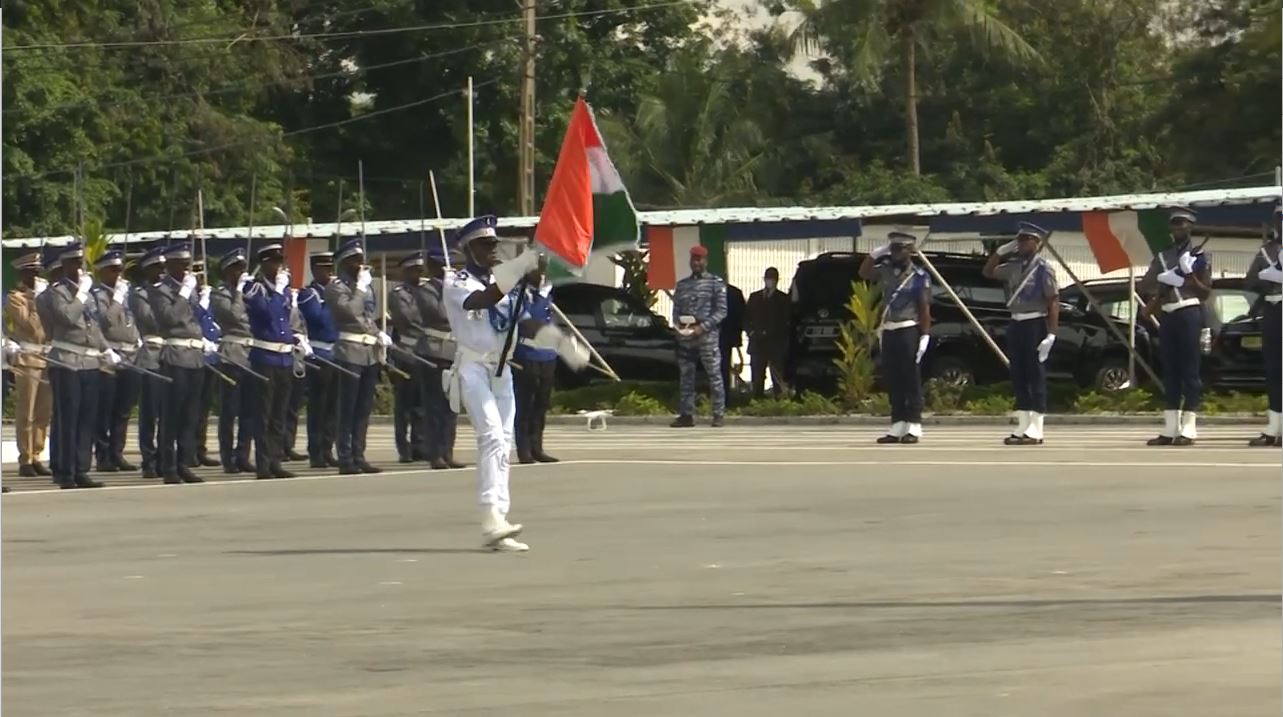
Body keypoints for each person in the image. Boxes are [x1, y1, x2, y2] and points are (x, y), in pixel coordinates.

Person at [441, 216, 588, 551]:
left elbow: (526, 323)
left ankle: (500, 519)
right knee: (491, 434)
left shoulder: (505, 284)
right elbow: (482, 301)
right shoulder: (456, 281)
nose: (492, 250)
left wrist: (560, 342)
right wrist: (521, 265)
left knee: (503, 441)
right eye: (484, 245)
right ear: (468, 249)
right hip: (473, 368)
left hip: (501, 370)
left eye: (494, 244)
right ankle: (490, 516)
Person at [35, 242, 114, 489]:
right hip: (66, 360)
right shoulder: (55, 293)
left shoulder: (85, 292)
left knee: (86, 418)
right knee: (68, 417)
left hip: (89, 361)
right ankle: (66, 472)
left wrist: (105, 348)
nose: (79, 267)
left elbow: (93, 324)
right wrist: (81, 294)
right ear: (64, 265)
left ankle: (81, 469)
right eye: (74, 263)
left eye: (80, 263)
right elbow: (68, 318)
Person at [1139, 208, 1211, 446]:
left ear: (1191, 227)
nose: (1178, 229)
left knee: (1189, 370)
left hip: (1189, 312)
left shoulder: (1199, 256)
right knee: (1170, 371)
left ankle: (1189, 427)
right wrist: (1163, 280)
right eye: (1175, 225)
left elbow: (1205, 292)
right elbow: (1146, 284)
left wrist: (1188, 276)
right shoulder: (1163, 256)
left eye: (1183, 225)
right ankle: (1170, 428)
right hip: (1168, 315)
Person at [983, 222, 1060, 445]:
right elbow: (988, 272)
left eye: (1028, 240)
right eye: (1020, 239)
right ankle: (1023, 424)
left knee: (1035, 375)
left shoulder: (1044, 268)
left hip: (1035, 323)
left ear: (1038, 243)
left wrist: (1051, 334)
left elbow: (1053, 300)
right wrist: (1000, 252)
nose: (1024, 243)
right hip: (1016, 324)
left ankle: (1036, 428)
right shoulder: (1014, 265)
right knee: (1019, 374)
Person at [149, 242, 211, 484]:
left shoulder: (191, 289)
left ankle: (185, 462)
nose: (186, 270)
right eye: (182, 265)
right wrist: (184, 293)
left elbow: (196, 319)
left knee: (190, 414)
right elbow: (170, 319)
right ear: (170, 265)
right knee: (171, 414)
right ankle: (168, 466)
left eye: (187, 265)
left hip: (195, 356)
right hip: (175, 356)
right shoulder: (160, 290)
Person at [861, 232, 932, 443]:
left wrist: (925, 336)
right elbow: (864, 272)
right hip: (889, 329)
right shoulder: (886, 271)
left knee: (910, 379)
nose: (895, 253)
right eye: (892, 248)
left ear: (910, 251)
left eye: (900, 249)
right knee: (894, 378)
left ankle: (914, 425)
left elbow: (924, 309)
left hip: (908, 329)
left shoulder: (919, 276)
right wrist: (876, 253)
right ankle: (898, 424)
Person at [244, 243, 304, 479]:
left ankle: (276, 460)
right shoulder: (254, 288)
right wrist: (279, 292)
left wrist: (296, 337)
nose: (279, 267)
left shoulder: (285, 291)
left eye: (280, 262)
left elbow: (285, 321)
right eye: (274, 262)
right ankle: (262, 464)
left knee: (280, 413)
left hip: (284, 359)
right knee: (264, 414)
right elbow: (268, 314)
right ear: (264, 264)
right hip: (265, 357)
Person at [326, 239, 385, 475]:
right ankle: (345, 457)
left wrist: (378, 334)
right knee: (347, 408)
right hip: (349, 351)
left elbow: (368, 316)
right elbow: (349, 311)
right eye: (356, 260)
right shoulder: (336, 287)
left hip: (368, 352)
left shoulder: (365, 286)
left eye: (361, 260)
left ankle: (359, 454)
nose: (361, 265)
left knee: (363, 409)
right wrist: (360, 289)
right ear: (344, 263)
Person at [89, 249, 141, 472]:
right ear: (101, 272)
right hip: (108, 356)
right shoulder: (96, 296)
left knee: (123, 410)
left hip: (130, 355)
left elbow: (133, 322)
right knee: (105, 409)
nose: (118, 274)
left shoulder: (128, 293)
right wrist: (117, 299)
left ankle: (117, 452)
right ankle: (103, 456)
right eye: (113, 270)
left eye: (120, 269)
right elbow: (106, 321)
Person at [3, 252, 53, 477]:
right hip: (27, 359)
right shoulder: (16, 298)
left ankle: (37, 454)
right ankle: (25, 458)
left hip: (46, 358)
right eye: (32, 272)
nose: (36, 275)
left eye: (38, 271)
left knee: (43, 412)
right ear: (23, 274)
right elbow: (30, 326)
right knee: (27, 412)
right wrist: (36, 301)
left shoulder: (45, 296)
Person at [670, 245, 728, 428]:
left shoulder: (715, 283)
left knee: (714, 376)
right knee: (686, 377)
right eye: (693, 259)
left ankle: (718, 414)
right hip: (686, 338)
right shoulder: (682, 285)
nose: (696, 262)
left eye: (699, 259)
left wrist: (703, 327)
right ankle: (686, 415)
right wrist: (679, 327)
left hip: (707, 338)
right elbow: (676, 309)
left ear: (705, 261)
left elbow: (721, 311)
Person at [210, 248, 256, 473]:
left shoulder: (250, 292)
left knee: (249, 409)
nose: (241, 272)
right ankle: (227, 457)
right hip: (232, 354)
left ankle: (243, 454)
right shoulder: (220, 294)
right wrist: (238, 292)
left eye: (243, 268)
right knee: (229, 410)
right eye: (236, 268)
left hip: (251, 354)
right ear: (227, 272)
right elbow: (234, 316)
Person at [419, 244, 464, 469]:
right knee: (435, 405)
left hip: (454, 352)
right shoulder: (427, 289)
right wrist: (449, 291)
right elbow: (440, 313)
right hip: (434, 351)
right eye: (447, 266)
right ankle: (434, 453)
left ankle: (448, 451)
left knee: (452, 405)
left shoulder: (455, 288)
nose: (452, 270)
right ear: (435, 267)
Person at [296, 251, 340, 468]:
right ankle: (315, 451)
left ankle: (327, 448)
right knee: (319, 407)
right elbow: (319, 319)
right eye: (325, 269)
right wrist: (331, 298)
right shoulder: (309, 294)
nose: (330, 273)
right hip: (319, 354)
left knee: (333, 406)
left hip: (336, 354)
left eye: (331, 268)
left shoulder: (334, 292)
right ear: (315, 270)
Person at [512, 262, 558, 464]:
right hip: (527, 353)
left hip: (547, 354)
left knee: (541, 403)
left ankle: (537, 447)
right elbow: (528, 323)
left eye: (543, 271)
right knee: (525, 404)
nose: (541, 275)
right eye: (537, 270)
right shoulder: (519, 295)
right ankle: (524, 449)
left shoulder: (547, 295)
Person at [1245, 205, 1283, 447]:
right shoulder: (1265, 251)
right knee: (1273, 369)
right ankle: (1273, 427)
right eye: (1279, 219)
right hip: (1271, 309)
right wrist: (1264, 277)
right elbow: (1248, 280)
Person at [130, 246, 167, 479]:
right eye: (157, 268)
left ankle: (165, 457)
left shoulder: (168, 292)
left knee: (168, 412)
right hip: (151, 356)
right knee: (149, 413)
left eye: (163, 267)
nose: (162, 272)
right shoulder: (139, 294)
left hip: (171, 355)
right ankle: (148, 459)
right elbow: (152, 320)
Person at [190, 262, 222, 468]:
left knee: (204, 409)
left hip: (211, 357)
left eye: (202, 273)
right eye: (196, 274)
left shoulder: (209, 296)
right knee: (192, 408)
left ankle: (200, 449)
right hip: (193, 357)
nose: (201, 278)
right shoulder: (189, 297)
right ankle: (189, 450)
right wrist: (201, 303)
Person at [744, 266, 791, 399]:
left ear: (777, 280)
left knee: (776, 374)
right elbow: (746, 318)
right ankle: (757, 399)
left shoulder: (783, 299)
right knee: (757, 375)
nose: (770, 281)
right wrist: (751, 332)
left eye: (773, 279)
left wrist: (775, 335)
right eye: (768, 278)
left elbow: (786, 321)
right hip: (757, 343)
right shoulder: (755, 297)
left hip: (775, 344)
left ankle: (779, 400)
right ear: (764, 279)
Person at [720, 283, 745, 402]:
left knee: (723, 368)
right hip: (714, 338)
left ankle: (723, 398)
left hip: (724, 338)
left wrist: (736, 338)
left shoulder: (733, 294)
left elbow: (740, 316)